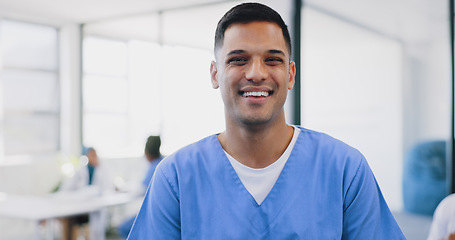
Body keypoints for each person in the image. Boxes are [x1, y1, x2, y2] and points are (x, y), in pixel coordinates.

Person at [128, 2, 405, 239]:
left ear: (291, 74)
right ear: (215, 74)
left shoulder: (345, 170)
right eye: (238, 59)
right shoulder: (176, 178)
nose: (256, 73)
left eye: (272, 60)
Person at [59, 147, 114, 240]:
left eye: (94, 155)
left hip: (96, 205)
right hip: (82, 205)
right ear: (87, 156)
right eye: (91, 155)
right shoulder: (81, 170)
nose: (93, 157)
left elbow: (108, 185)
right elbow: (67, 186)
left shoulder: (102, 169)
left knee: (97, 230)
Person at [117, 135, 164, 238]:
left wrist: (124, 190)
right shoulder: (164, 162)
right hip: (163, 213)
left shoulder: (154, 168)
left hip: (155, 213)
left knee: (124, 228)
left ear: (146, 153)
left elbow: (141, 190)